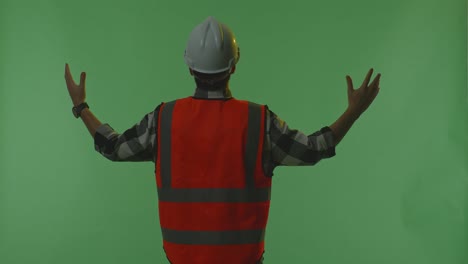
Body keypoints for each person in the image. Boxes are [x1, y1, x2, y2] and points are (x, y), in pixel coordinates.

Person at [64, 16, 381, 264]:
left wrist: (81, 107)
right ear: (234, 64)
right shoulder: (260, 122)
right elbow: (315, 149)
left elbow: (113, 147)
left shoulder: (163, 120)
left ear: (188, 65)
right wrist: (354, 111)